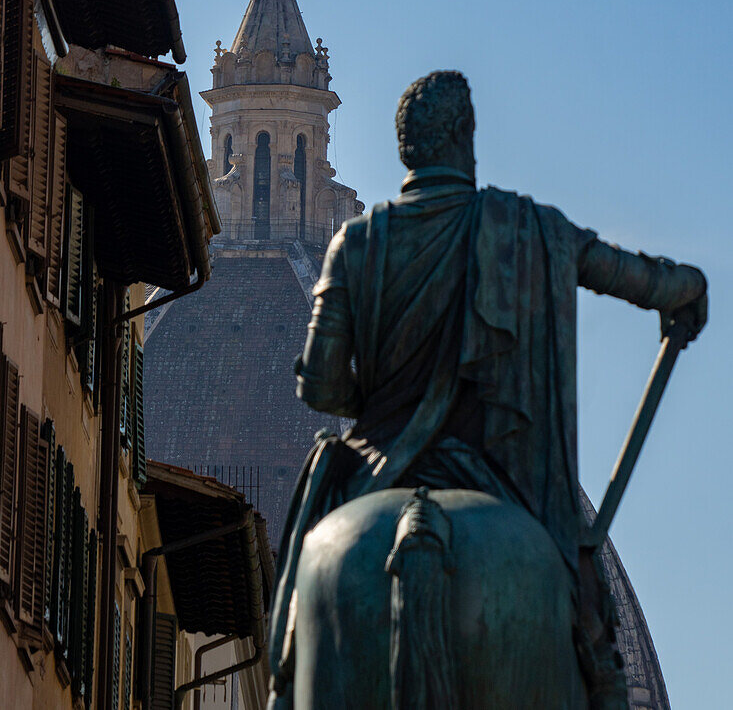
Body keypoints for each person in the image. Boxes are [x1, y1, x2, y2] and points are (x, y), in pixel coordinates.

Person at [272, 70, 707, 709]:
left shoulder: (355, 243)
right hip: (498, 474)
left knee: (294, 605)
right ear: (463, 139)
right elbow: (631, 276)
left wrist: (381, 396)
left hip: (377, 471)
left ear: (406, 149)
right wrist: (686, 290)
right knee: (590, 622)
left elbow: (321, 384)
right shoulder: (525, 226)